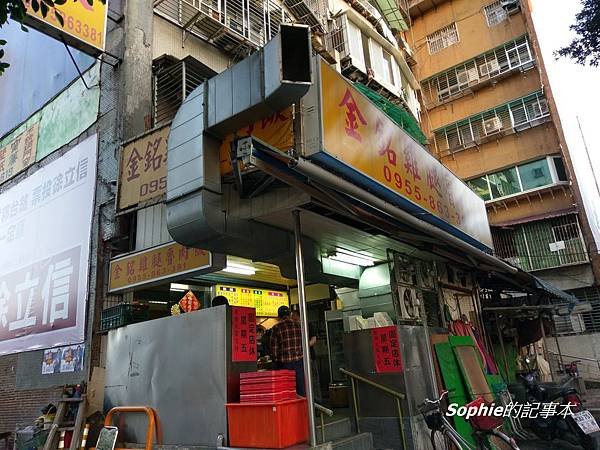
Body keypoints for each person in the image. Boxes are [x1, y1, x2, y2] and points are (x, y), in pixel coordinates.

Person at [271, 305, 306, 396]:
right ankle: (303, 408)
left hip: (284, 364)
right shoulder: (298, 325)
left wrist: (275, 359)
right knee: (301, 388)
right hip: (299, 361)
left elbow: (274, 348)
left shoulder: (276, 327)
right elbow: (304, 343)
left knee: (287, 389)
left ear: (279, 316)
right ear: (290, 314)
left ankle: (290, 409)